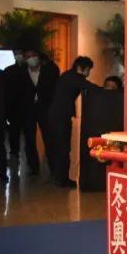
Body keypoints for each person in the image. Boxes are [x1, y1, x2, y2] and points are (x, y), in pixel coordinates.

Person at [47, 56, 94, 188]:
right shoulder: (74, 78)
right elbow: (90, 87)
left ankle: (60, 178)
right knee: (63, 148)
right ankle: (62, 179)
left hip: (57, 115)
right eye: (88, 69)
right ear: (80, 68)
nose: (89, 72)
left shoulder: (68, 76)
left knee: (61, 147)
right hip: (60, 117)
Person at [12, 49, 58, 176]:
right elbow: (17, 92)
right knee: (29, 140)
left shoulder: (48, 70)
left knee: (49, 139)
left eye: (33, 55)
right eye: (28, 56)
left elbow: (55, 84)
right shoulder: (21, 72)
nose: (31, 58)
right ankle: (34, 167)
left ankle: (54, 167)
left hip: (45, 109)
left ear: (38, 56)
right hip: (28, 110)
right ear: (25, 59)